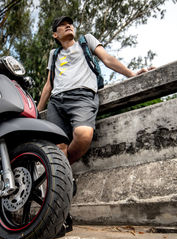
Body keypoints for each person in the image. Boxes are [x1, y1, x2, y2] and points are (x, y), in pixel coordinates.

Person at [37, 16, 152, 165]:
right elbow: (48, 84)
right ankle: (62, 179)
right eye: (63, 25)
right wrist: (37, 110)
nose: (68, 26)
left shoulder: (86, 41)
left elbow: (108, 59)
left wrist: (131, 74)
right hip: (56, 102)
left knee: (83, 134)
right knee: (59, 146)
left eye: (70, 24)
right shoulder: (54, 54)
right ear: (55, 35)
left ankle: (59, 170)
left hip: (82, 97)